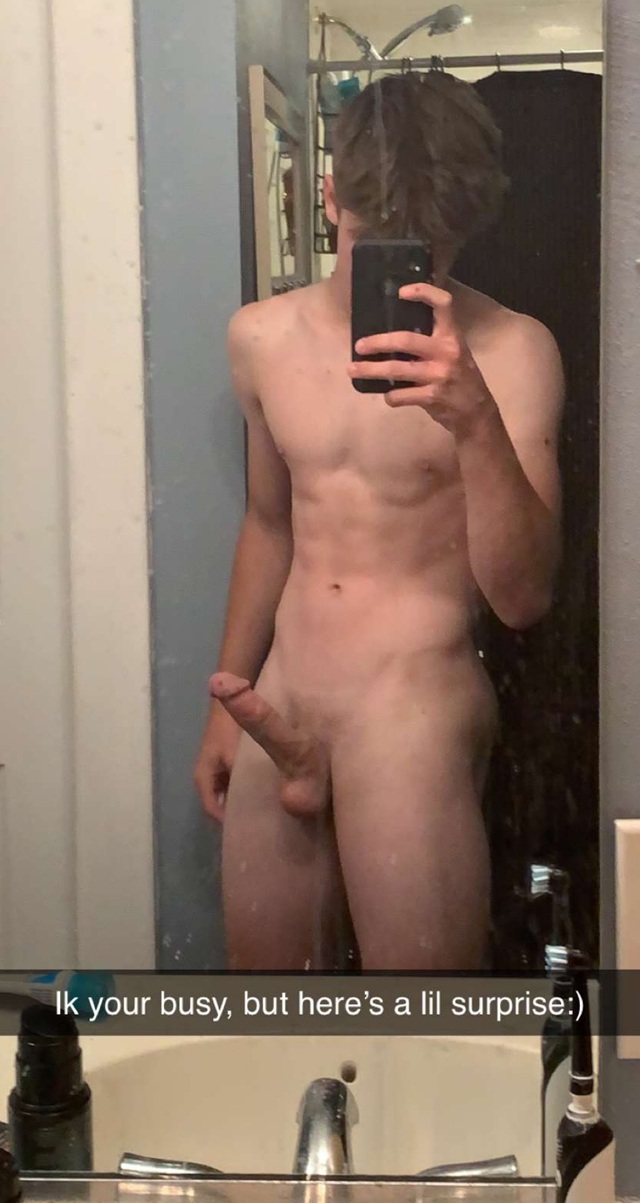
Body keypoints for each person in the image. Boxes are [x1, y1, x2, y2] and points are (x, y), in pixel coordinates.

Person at [194, 71, 564, 972]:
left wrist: (475, 419)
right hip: (281, 692)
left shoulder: (514, 350)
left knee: (424, 1020)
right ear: (329, 197)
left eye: (426, 254)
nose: (402, 275)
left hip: (413, 707)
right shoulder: (259, 338)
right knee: (266, 1015)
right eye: (378, 243)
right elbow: (269, 524)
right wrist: (225, 707)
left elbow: (522, 598)